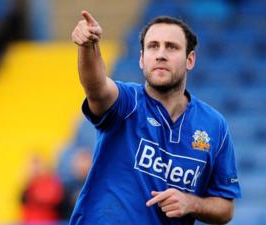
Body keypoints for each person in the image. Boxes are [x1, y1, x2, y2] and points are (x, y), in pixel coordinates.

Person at [69, 10, 241, 225]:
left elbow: (226, 208)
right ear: (141, 59)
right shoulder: (127, 102)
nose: (161, 54)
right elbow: (96, 86)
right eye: (153, 46)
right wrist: (88, 46)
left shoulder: (214, 126)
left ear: (190, 60)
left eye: (171, 47)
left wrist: (191, 203)